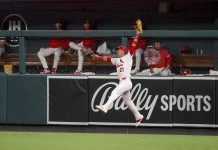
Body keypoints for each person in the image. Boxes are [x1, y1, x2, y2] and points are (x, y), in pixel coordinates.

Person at [91, 30, 144, 127]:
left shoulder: (128, 56)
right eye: (118, 49)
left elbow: (133, 45)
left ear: (123, 51)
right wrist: (97, 56)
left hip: (126, 81)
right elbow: (107, 59)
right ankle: (138, 116)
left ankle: (105, 106)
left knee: (115, 92)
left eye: (119, 49)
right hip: (123, 82)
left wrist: (137, 35)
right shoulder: (116, 60)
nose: (117, 50)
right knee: (128, 101)